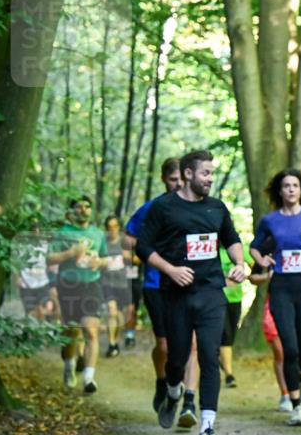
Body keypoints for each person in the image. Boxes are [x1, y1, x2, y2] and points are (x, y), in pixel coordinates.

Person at [135, 150, 247, 435]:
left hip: (211, 293)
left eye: (211, 173)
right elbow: (143, 247)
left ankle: (207, 429)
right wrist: (170, 269)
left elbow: (231, 239)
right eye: (205, 173)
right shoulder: (164, 208)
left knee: (209, 357)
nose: (210, 179)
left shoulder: (216, 208)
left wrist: (240, 263)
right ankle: (173, 391)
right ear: (188, 174)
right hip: (177, 295)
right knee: (177, 357)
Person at [125, 158, 200, 414]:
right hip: (156, 283)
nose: (178, 184)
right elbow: (128, 237)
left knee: (190, 344)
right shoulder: (152, 208)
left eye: (181, 179)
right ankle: (162, 381)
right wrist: (145, 252)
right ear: (163, 180)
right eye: (172, 179)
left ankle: (188, 401)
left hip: (189, 282)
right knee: (165, 346)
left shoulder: (196, 207)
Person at [249, 170, 301, 426]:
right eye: (286, 186)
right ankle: (295, 405)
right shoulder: (270, 221)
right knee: (288, 348)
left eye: (295, 185)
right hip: (280, 287)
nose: (290, 189)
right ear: (279, 191)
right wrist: (262, 260)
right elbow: (254, 247)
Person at [47, 196, 109, 394]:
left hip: (92, 285)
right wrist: (70, 253)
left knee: (90, 332)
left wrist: (99, 262)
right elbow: (49, 258)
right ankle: (69, 366)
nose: (83, 210)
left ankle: (89, 378)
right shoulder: (63, 233)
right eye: (79, 207)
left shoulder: (98, 234)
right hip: (68, 286)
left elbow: (107, 258)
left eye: (87, 207)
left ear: (91, 210)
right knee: (71, 332)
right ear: (72, 211)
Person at [249, 265, 291, 412]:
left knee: (294, 351)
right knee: (280, 352)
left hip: (299, 302)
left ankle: (300, 382)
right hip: (274, 302)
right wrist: (268, 276)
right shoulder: (268, 247)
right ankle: (285, 393)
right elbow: (252, 277)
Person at [218, 245, 250, 388]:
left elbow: (253, 262)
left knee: (230, 336)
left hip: (236, 299)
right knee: (225, 336)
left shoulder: (238, 249)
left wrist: (248, 275)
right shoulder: (213, 250)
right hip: (217, 298)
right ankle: (229, 375)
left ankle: (221, 365)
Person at [101, 215, 131, 357]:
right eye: (109, 227)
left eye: (115, 226)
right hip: (107, 283)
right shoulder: (103, 243)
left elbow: (138, 259)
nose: (112, 230)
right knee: (111, 312)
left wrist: (129, 256)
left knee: (119, 317)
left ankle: (116, 341)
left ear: (119, 228)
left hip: (122, 283)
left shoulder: (125, 242)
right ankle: (111, 343)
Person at [15, 225, 55, 320]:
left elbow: (51, 261)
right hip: (27, 284)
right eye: (33, 231)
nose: (36, 233)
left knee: (48, 308)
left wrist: (51, 270)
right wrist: (17, 278)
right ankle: (29, 332)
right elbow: (17, 263)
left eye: (38, 230)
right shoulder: (22, 245)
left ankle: (50, 331)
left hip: (43, 283)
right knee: (30, 312)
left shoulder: (46, 245)